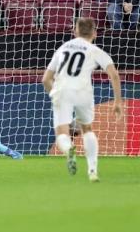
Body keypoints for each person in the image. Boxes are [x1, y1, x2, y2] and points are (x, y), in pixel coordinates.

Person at [42, 18, 124, 182]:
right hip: (83, 92)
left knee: (62, 134)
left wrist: (55, 95)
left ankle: (69, 149)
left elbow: (46, 79)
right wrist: (117, 101)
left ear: (75, 32)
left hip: (62, 90)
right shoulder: (94, 50)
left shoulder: (63, 48)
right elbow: (114, 74)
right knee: (87, 129)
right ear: (94, 33)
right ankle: (92, 171)